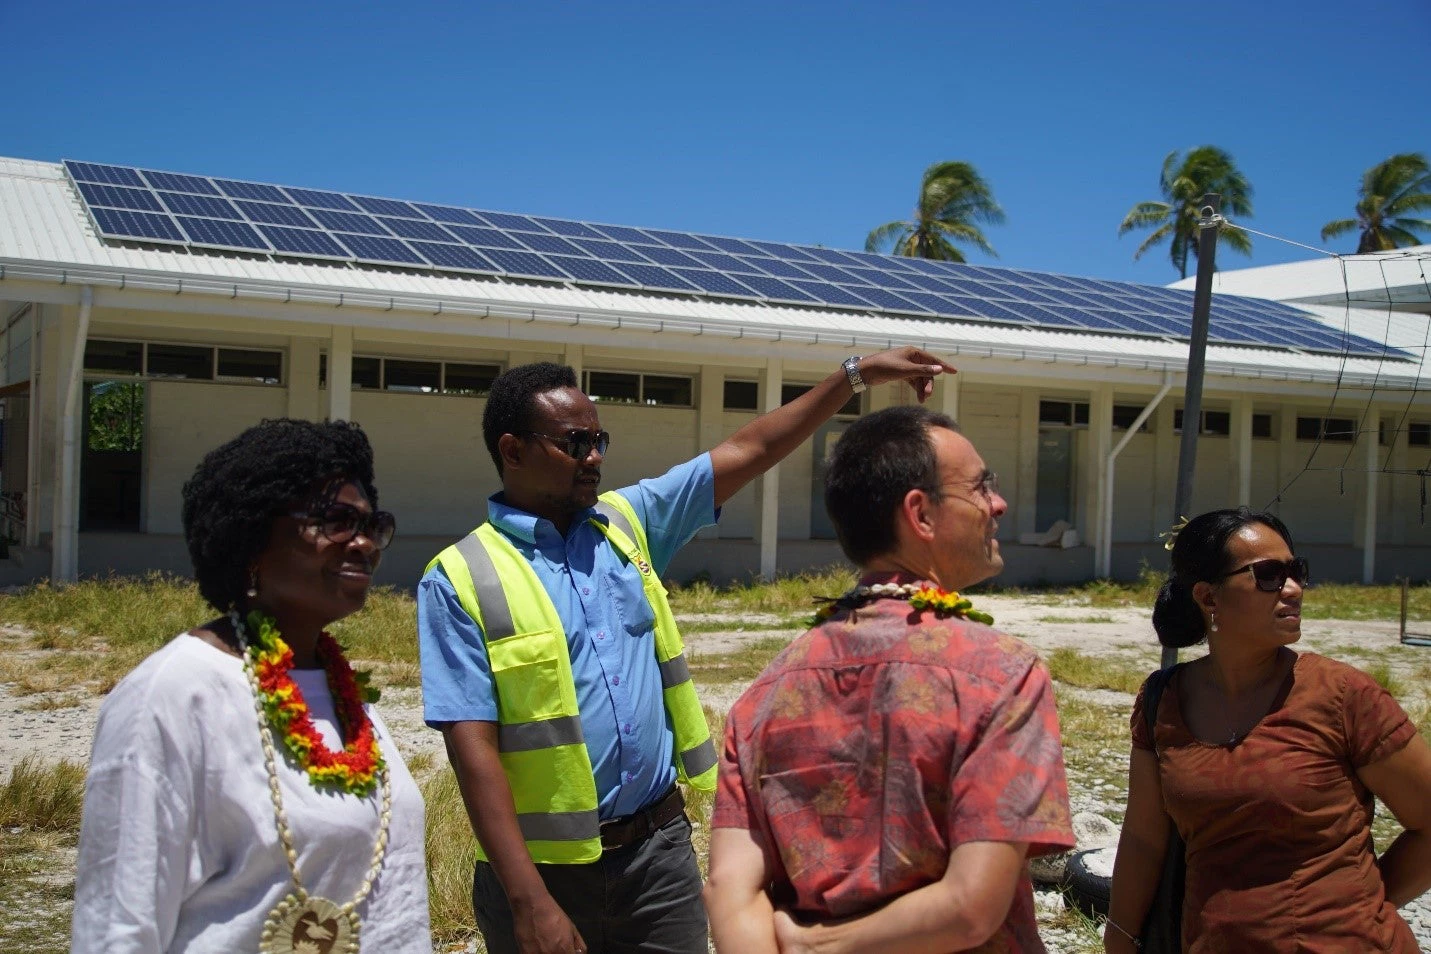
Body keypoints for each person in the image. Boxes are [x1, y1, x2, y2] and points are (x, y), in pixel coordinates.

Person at [418, 348, 954, 954]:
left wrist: (852, 378)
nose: (594, 458)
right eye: (574, 443)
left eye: (600, 440)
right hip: (544, 877)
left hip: (657, 860)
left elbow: (750, 450)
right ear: (513, 451)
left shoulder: (626, 523)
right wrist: (528, 900)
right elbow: (472, 752)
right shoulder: (460, 578)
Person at [704, 404, 1076, 954]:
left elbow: (730, 890)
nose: (997, 504)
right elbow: (972, 908)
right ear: (920, 514)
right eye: (980, 487)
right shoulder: (1001, 675)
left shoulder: (769, 688)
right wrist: (821, 947)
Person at [71, 418, 431, 954]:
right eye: (334, 520)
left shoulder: (342, 693)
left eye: (370, 525)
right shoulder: (172, 696)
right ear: (253, 538)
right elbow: (117, 928)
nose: (361, 544)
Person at [1104, 508, 1431, 953]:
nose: (1293, 590)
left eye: (1297, 572)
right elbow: (1144, 838)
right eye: (1269, 575)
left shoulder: (1343, 695)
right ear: (1209, 597)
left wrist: (1367, 908)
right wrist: (1120, 938)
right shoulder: (1163, 702)